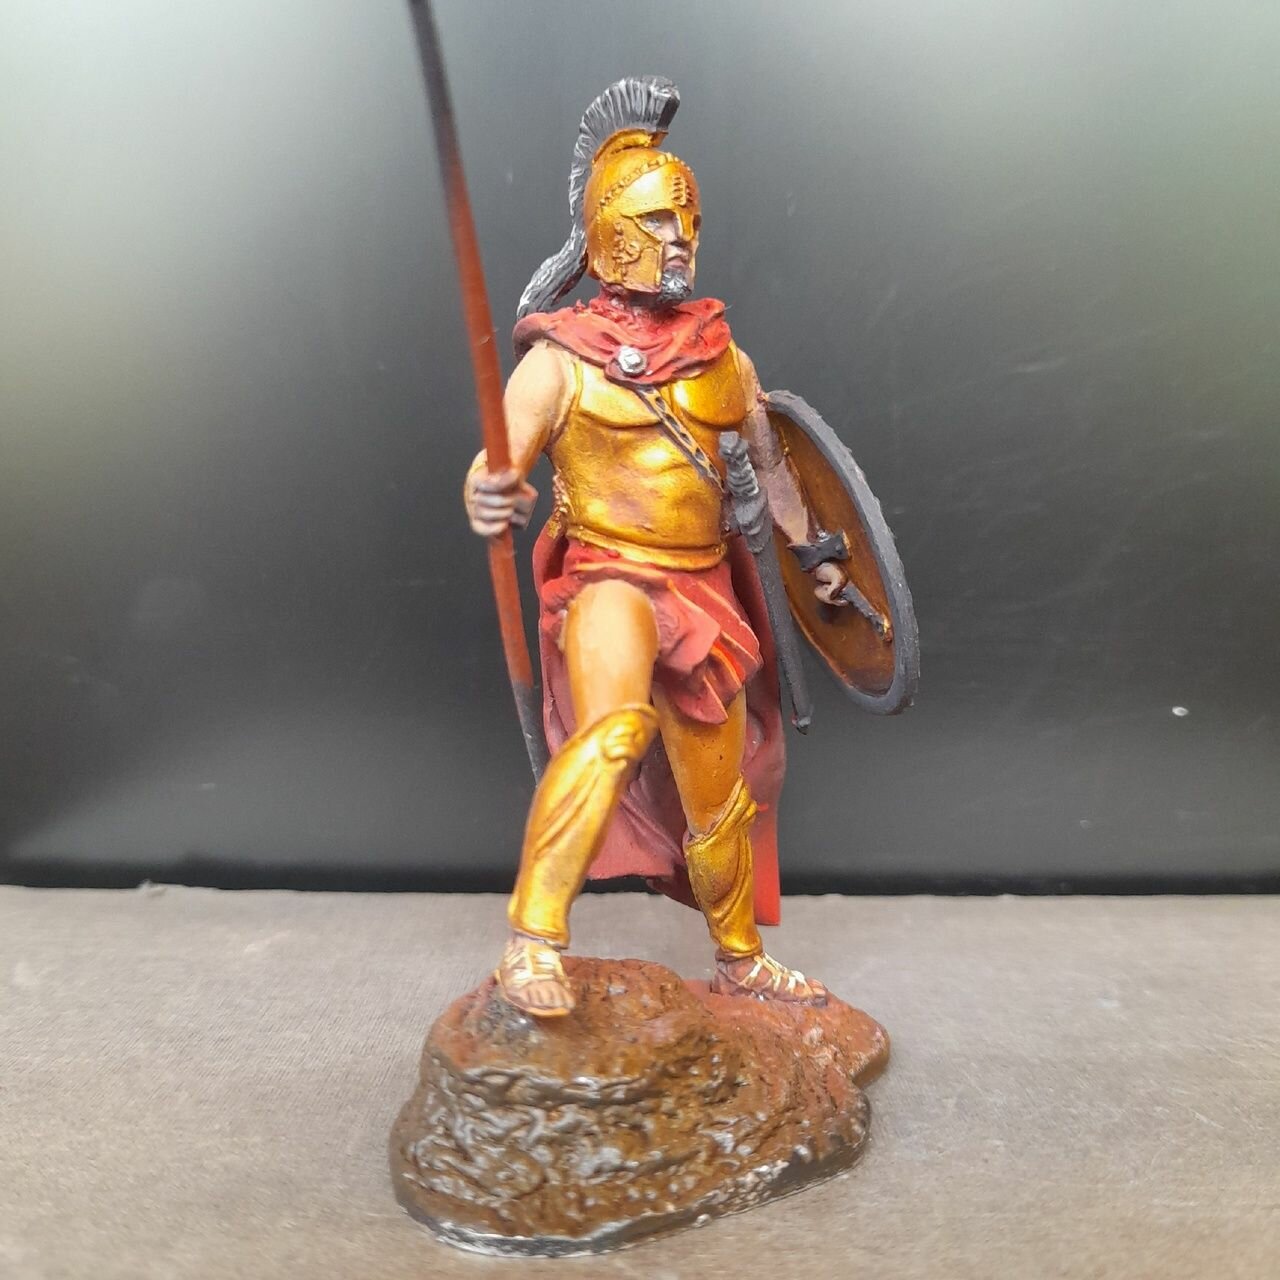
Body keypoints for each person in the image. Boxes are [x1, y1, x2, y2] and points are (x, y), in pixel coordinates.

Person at [463, 79, 853, 1018]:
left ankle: (740, 961)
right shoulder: (561, 361)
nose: (678, 238)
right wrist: (487, 490)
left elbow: (775, 468)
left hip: (703, 592)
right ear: (609, 234)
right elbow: (496, 459)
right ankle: (534, 940)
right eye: (657, 221)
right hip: (608, 581)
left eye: (688, 221)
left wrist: (820, 557)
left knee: (719, 800)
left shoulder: (724, 360)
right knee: (612, 732)